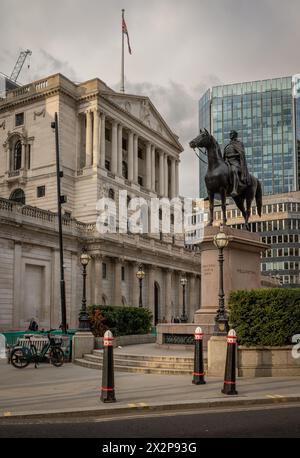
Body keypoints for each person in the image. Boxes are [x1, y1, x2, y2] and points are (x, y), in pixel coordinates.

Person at [223, 130, 251, 197]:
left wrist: (232, 156)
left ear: (235, 135)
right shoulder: (227, 145)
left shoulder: (239, 143)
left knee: (234, 170)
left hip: (235, 162)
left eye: (231, 134)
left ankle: (234, 189)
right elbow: (224, 156)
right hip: (227, 163)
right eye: (230, 134)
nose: (230, 135)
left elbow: (241, 153)